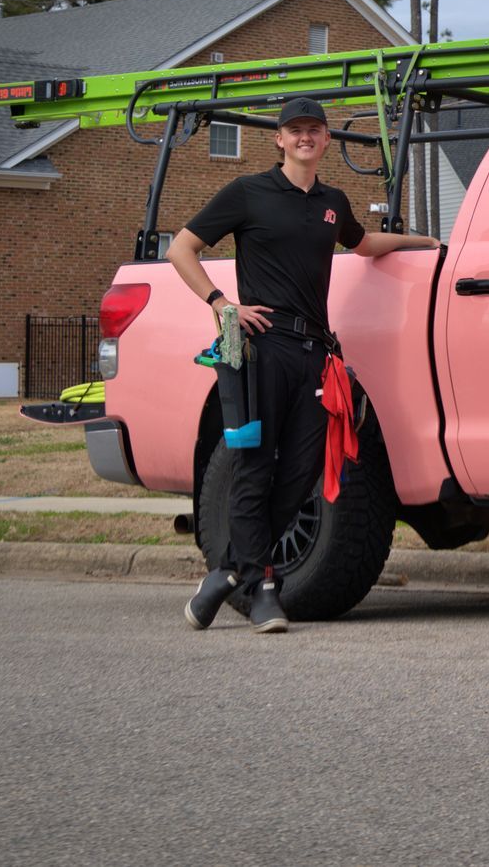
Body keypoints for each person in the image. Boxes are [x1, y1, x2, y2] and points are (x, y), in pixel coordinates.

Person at [165, 97, 437, 634]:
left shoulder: (332, 202)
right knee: (256, 466)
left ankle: (226, 573)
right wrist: (222, 304)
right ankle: (263, 586)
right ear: (279, 139)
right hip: (263, 350)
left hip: (316, 354)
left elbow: (362, 244)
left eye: (314, 130)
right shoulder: (247, 193)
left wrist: (421, 241)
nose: (304, 138)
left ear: (326, 139)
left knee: (305, 469)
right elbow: (182, 249)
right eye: (295, 131)